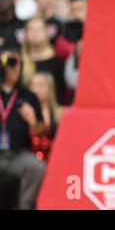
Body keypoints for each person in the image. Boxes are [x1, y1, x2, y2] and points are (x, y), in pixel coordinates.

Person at [0, 47, 46, 209]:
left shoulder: (28, 96)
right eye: (11, 62)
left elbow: (41, 131)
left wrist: (32, 120)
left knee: (37, 167)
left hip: (17, 154)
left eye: (20, 63)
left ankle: (25, 206)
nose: (17, 67)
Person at [21, 17, 65, 105]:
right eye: (31, 30)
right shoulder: (20, 60)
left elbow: (61, 92)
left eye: (39, 29)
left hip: (50, 109)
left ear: (46, 33)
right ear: (25, 34)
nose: (35, 33)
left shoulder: (56, 60)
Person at [28, 71, 63, 162]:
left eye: (40, 86)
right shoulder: (25, 111)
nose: (35, 90)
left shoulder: (60, 113)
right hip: (31, 160)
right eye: (32, 85)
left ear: (50, 88)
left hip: (56, 158)